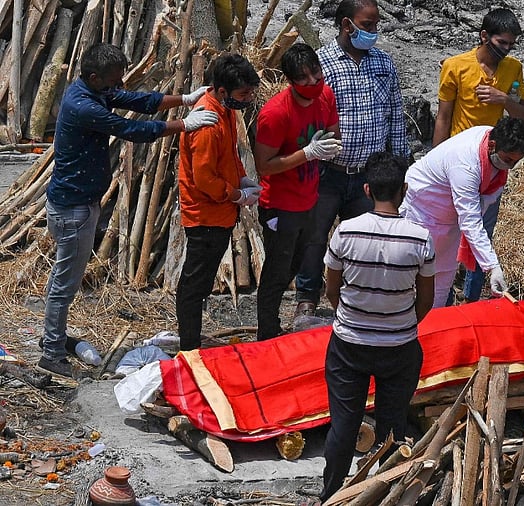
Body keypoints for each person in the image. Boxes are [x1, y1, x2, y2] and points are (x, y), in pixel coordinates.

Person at [40, 43, 218, 377]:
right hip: (73, 209)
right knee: (65, 284)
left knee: (64, 280)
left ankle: (55, 337)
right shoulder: (84, 106)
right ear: (95, 77)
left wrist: (184, 99)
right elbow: (131, 129)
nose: (119, 87)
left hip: (77, 203)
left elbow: (136, 100)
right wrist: (184, 125)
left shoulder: (94, 91)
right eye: (114, 81)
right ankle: (51, 352)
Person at [320, 152, 435, 501]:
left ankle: (331, 495)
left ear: (367, 189)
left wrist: (353, 316)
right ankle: (383, 494)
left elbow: (331, 288)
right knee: (392, 426)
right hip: (399, 348)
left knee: (343, 426)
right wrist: (399, 324)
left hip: (348, 345)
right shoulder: (420, 238)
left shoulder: (345, 232)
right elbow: (426, 298)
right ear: (403, 190)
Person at [292, 0, 410, 320]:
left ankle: (354, 298)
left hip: (368, 175)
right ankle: (307, 297)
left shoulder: (383, 63)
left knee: (363, 239)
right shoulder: (322, 65)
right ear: (347, 25)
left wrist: (399, 162)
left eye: (375, 25)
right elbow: (305, 115)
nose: (373, 32)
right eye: (367, 26)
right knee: (315, 237)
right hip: (328, 171)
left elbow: (394, 115)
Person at [432, 7, 524, 303]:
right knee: (450, 232)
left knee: (482, 235)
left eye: (511, 45)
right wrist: (434, 160)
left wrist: (503, 100)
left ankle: (472, 298)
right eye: (501, 43)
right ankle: (442, 294)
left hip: (492, 164)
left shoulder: (512, 69)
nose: (506, 50)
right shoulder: (455, 66)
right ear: (484, 36)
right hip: (459, 164)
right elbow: (443, 117)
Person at [253, 43, 342, 340]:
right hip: (279, 204)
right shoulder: (275, 114)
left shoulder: (325, 95)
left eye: (316, 74)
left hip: (310, 198)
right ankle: (267, 331)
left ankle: (274, 327)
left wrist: (328, 148)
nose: (313, 83)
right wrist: (306, 153)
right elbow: (264, 166)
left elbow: (333, 132)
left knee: (298, 261)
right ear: (291, 81)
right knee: (277, 271)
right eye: (304, 79)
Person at [176, 53, 261, 352]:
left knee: (198, 283)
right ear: (222, 90)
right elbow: (205, 179)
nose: (248, 99)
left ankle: (192, 341)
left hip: (220, 213)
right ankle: (189, 347)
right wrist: (236, 194)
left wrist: (242, 179)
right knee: (194, 285)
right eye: (243, 93)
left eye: (251, 92)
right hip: (205, 214)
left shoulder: (225, 110)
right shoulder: (207, 123)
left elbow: (230, 155)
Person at [400, 117, 524, 307]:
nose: (510, 167)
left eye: (515, 162)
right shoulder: (466, 164)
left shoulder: (491, 139)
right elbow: (470, 220)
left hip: (449, 220)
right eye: (508, 160)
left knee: (442, 282)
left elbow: (482, 204)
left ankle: (432, 327)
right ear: (493, 145)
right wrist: (492, 266)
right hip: (422, 211)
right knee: (410, 279)